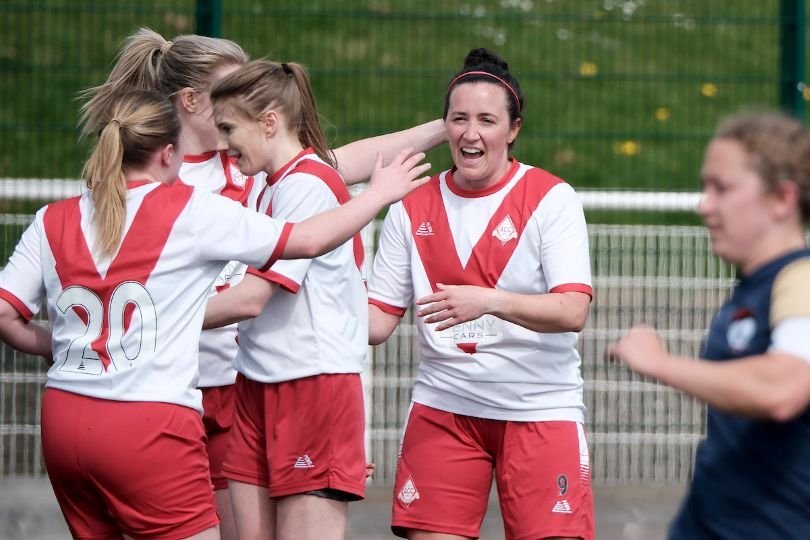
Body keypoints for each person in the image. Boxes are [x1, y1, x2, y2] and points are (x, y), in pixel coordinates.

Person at [0, 89, 429, 540]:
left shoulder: (52, 217)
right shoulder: (190, 209)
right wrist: (377, 195)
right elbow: (305, 240)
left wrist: (74, 348)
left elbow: (6, 318)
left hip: (64, 422)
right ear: (168, 154)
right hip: (147, 422)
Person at [367, 48, 595, 540]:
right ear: (444, 126)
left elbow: (573, 310)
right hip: (444, 407)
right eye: (459, 119)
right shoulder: (408, 206)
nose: (471, 133)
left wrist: (490, 300)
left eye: (487, 120)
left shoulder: (551, 198)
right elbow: (376, 323)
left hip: (539, 408)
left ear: (512, 129)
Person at [609, 111, 810, 539]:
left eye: (722, 188)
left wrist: (658, 363)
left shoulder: (801, 282)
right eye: (705, 187)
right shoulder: (754, 285)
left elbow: (783, 388)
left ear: (782, 199)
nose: (705, 204)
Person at [197, 58, 369, 540]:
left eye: (230, 128)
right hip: (255, 383)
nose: (224, 144)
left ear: (269, 122)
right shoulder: (265, 185)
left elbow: (251, 299)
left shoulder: (307, 185)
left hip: (312, 386)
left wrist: (150, 324)